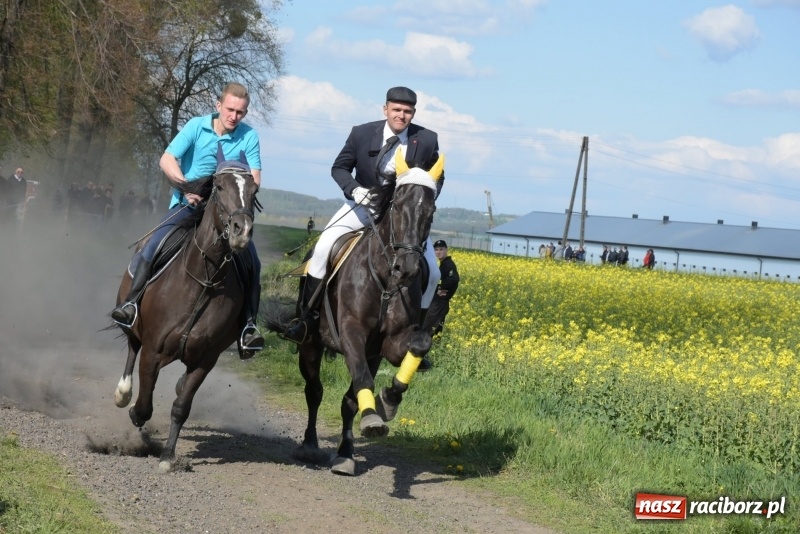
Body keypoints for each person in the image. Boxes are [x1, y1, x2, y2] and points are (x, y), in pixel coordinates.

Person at [111, 82, 265, 359]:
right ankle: (131, 304)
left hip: (225, 215)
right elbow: (167, 159)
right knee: (152, 245)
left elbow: (254, 179)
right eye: (230, 109)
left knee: (253, 263)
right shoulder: (196, 126)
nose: (234, 116)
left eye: (240, 112)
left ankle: (248, 328)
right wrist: (185, 188)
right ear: (219, 106)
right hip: (187, 206)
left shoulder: (249, 136)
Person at [284, 86, 443, 343]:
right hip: (362, 205)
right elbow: (339, 168)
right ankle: (306, 319)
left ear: (413, 113)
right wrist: (355, 190)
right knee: (323, 248)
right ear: (385, 109)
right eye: (396, 110)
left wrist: (420, 202)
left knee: (434, 273)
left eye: (407, 111)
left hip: (403, 216)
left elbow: (437, 176)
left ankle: (417, 332)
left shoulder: (426, 139)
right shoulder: (362, 133)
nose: (401, 116)